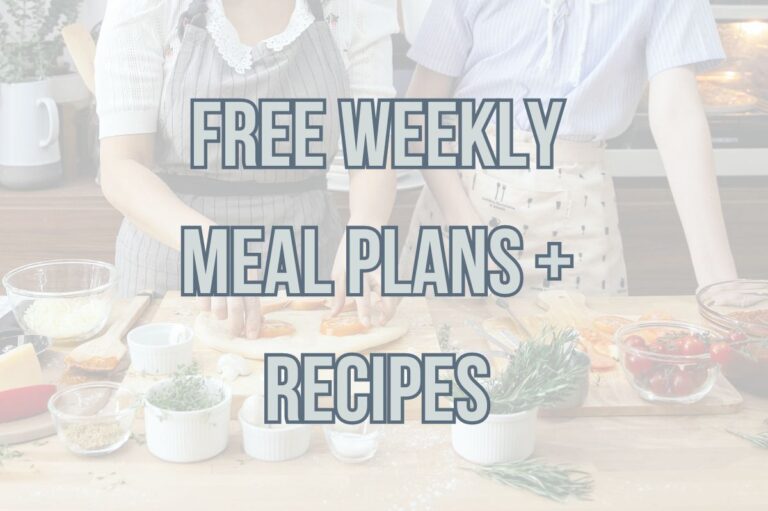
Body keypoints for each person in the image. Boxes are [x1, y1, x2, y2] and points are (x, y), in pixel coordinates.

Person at [95, 0, 399, 337]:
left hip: (307, 266)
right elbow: (121, 165)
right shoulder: (148, 8)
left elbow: (373, 152)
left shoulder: (354, 10)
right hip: (172, 269)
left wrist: (367, 226)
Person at [402, 0, 738, 295]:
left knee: (591, 359)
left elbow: (677, 117)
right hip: (460, 201)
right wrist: (462, 222)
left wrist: (720, 286)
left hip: (580, 219)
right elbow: (419, 114)